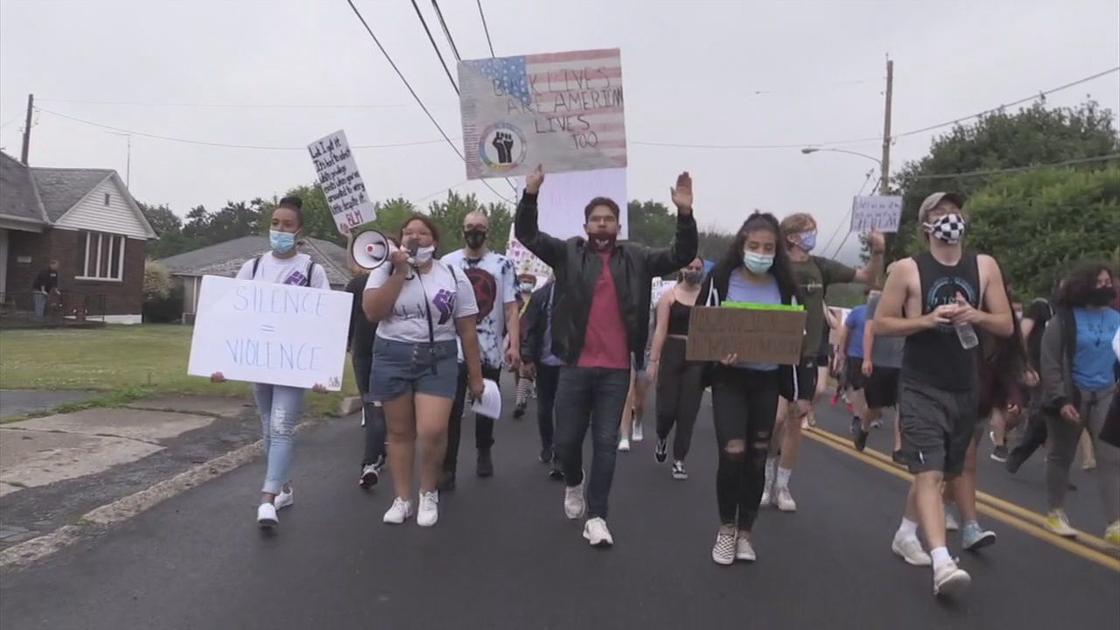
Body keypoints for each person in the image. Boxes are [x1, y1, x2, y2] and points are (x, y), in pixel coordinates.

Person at [515, 165, 698, 547]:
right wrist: (531, 195)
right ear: (585, 227)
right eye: (595, 220)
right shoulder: (568, 254)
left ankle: (597, 516)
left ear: (618, 226)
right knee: (566, 442)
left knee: (604, 443)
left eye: (609, 219)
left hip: (615, 370)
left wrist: (684, 213)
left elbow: (682, 253)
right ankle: (573, 483)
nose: (602, 225)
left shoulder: (638, 257)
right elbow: (528, 235)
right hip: (574, 366)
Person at [875, 191, 1013, 597]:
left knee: (944, 473)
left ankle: (906, 532)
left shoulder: (983, 266)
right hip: (921, 384)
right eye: (940, 214)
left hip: (965, 384)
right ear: (925, 226)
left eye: (954, 212)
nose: (949, 219)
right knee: (929, 473)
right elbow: (882, 323)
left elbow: (1005, 324)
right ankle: (941, 562)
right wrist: (926, 320)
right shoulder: (907, 269)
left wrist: (976, 315)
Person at [210, 196, 332, 528]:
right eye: (275, 223)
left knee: (280, 427)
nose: (279, 230)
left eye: (287, 225)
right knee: (268, 427)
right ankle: (284, 487)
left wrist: (324, 372)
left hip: (292, 365)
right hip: (258, 362)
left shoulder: (311, 271)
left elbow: (326, 325)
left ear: (299, 231)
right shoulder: (252, 268)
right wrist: (220, 361)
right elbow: (230, 317)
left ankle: (267, 499)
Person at [363, 215, 483, 527]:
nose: (416, 237)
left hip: (438, 357)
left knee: (432, 430)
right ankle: (402, 499)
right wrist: (399, 272)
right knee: (400, 432)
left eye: (423, 233)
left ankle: (428, 490)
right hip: (392, 354)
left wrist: (476, 375)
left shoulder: (452, 275)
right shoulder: (384, 269)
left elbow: (467, 330)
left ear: (435, 241)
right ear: (400, 238)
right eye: (409, 232)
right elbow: (373, 311)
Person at [761, 213, 884, 512]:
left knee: (795, 418)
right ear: (790, 237)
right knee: (774, 419)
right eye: (807, 231)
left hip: (807, 354)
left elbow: (868, 278)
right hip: (775, 352)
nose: (812, 235)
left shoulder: (820, 266)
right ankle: (764, 480)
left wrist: (878, 251)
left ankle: (783, 486)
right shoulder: (775, 265)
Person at [697, 212, 801, 565]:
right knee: (733, 451)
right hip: (730, 379)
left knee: (758, 455)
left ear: (777, 251)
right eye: (754, 245)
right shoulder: (721, 279)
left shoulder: (785, 287)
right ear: (741, 245)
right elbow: (704, 327)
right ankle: (725, 529)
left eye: (768, 247)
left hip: (768, 381)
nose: (760, 252)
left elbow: (794, 341)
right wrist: (716, 355)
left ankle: (746, 533)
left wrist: (792, 395)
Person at [943, 280, 1030, 551]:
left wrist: (1014, 397)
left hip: (981, 403)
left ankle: (941, 505)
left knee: (956, 464)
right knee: (966, 461)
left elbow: (1009, 366)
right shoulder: (965, 321)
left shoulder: (1007, 330)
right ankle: (971, 527)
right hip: (954, 399)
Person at [1038, 263, 1119, 544]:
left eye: (1108, 281)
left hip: (1106, 393)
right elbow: (1049, 362)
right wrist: (1060, 399)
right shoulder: (1063, 319)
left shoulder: (1115, 318)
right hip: (1072, 395)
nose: (1105, 286)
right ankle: (1055, 512)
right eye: (1099, 282)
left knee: (1111, 458)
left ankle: (1115, 523)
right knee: (1062, 455)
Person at [439, 211, 519, 490]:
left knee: (486, 406)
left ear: (488, 230)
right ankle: (448, 466)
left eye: (480, 227)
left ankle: (484, 448)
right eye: (469, 226)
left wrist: (514, 345)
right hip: (453, 348)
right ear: (462, 229)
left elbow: (511, 308)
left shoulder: (502, 264)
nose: (474, 231)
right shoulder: (447, 263)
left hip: (490, 349)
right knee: (451, 410)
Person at [649, 258, 705, 480]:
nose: (693, 271)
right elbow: (660, 330)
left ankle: (679, 459)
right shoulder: (669, 297)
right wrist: (653, 361)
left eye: (697, 268)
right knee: (667, 409)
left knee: (688, 412)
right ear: (682, 269)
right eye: (689, 267)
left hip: (698, 354)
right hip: (672, 351)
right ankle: (662, 436)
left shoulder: (707, 298)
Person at [345, 233, 392, 490]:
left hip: (390, 353)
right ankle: (372, 460)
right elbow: (345, 319)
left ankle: (373, 458)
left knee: (379, 407)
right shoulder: (357, 284)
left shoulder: (398, 282)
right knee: (372, 405)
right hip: (363, 353)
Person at [852, 267, 905, 459]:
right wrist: (867, 358)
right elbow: (869, 331)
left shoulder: (911, 301)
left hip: (902, 362)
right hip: (879, 360)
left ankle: (899, 448)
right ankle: (864, 429)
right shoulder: (876, 301)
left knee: (902, 404)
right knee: (874, 406)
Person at [1006, 290, 1057, 473]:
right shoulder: (1040, 306)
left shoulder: (1073, 312)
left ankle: (1058, 469)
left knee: (1058, 420)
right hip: (1037, 368)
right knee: (1039, 416)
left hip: (1059, 371)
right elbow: (1022, 334)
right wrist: (1024, 365)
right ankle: (1017, 453)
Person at [521, 277, 564, 479]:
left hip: (570, 364)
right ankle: (547, 444)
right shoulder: (541, 296)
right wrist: (527, 358)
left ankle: (560, 456)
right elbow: (529, 328)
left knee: (567, 409)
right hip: (545, 360)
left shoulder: (581, 293)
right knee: (545, 408)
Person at [836, 294, 872, 443]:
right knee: (859, 388)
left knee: (870, 390)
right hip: (856, 355)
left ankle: (868, 416)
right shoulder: (858, 311)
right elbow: (846, 331)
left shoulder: (882, 313)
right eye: (872, 295)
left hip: (874, 357)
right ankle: (857, 417)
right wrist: (841, 351)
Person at [512, 271, 539, 420]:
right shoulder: (515, 298)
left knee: (525, 367)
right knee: (519, 367)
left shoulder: (537, 298)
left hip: (531, 336)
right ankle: (521, 394)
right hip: (517, 334)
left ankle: (520, 399)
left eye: (529, 280)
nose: (527, 282)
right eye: (524, 280)